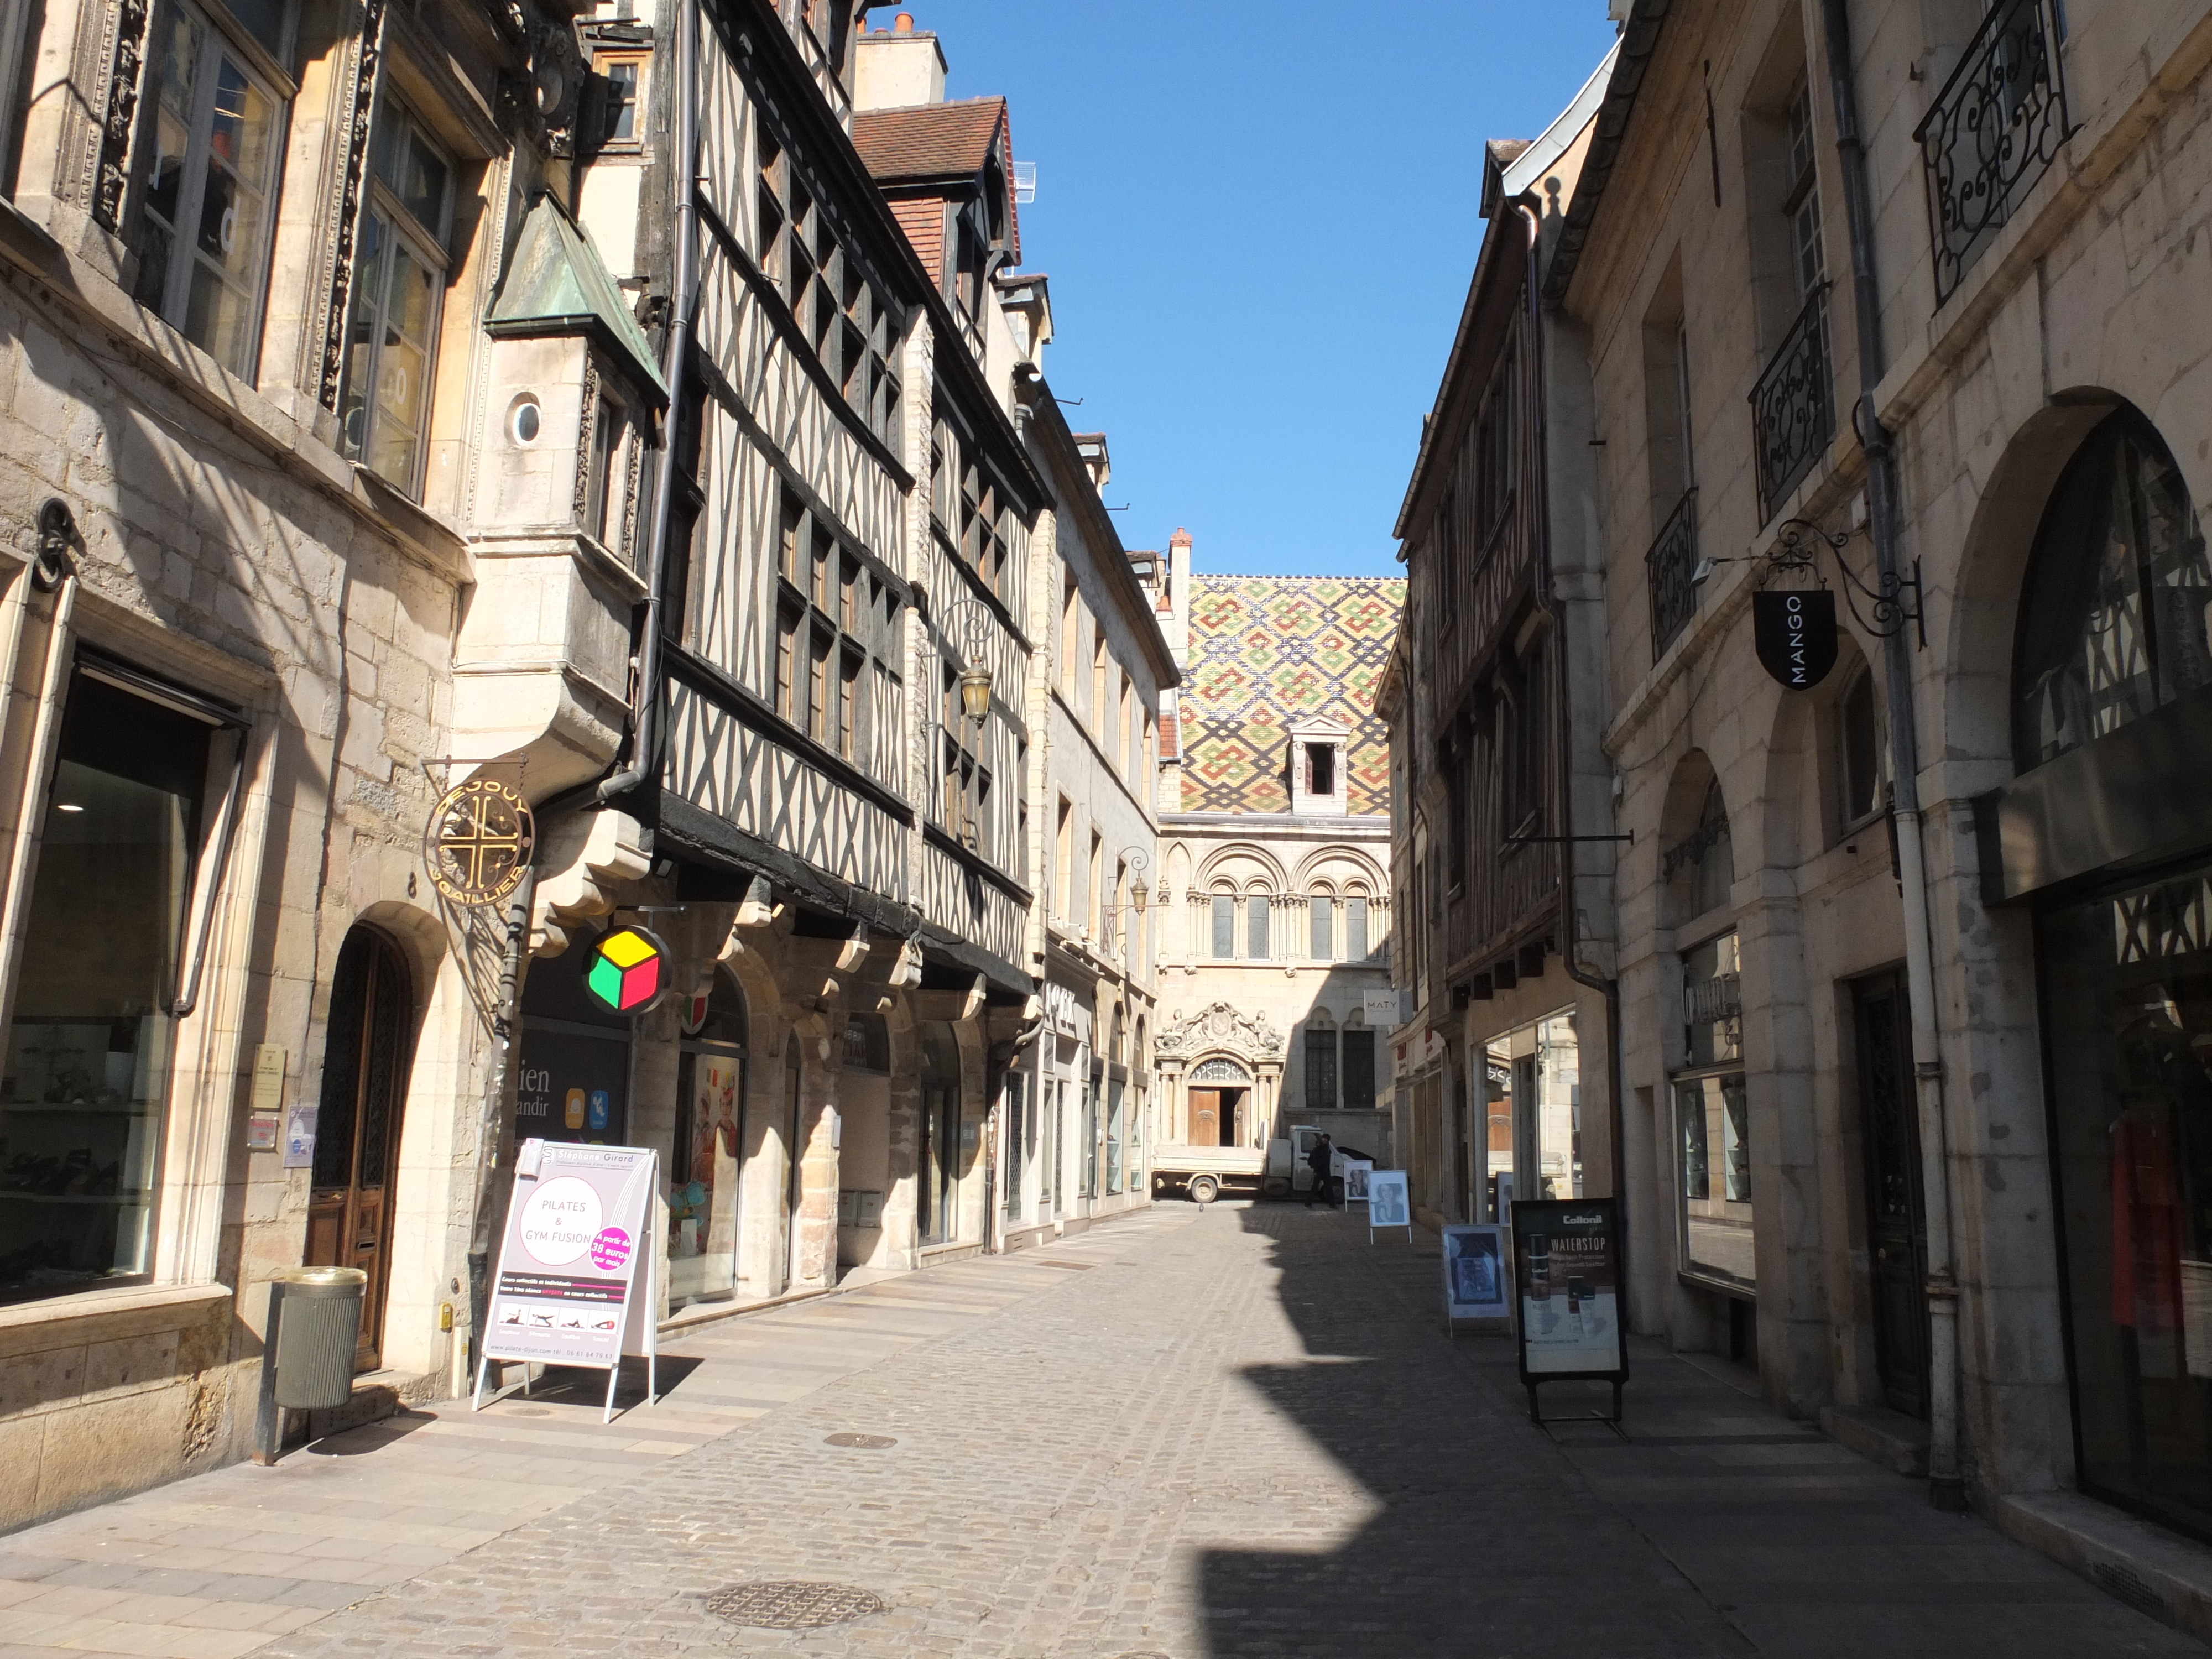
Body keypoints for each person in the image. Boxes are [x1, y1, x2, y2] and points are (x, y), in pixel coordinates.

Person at [1305, 1134, 1334, 1208]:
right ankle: (1308, 1203)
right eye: (1324, 1138)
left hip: (1325, 1171)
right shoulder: (1318, 1149)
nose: (1325, 1140)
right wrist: (1316, 1170)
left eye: (1326, 1139)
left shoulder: (1327, 1149)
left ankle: (1332, 1205)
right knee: (1315, 1188)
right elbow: (1315, 1160)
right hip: (1319, 1171)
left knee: (1329, 1188)